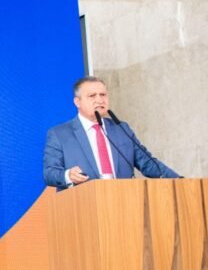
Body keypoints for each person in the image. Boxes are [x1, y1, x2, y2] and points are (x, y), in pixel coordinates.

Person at [43, 76, 178, 190]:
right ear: (77, 102)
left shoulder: (121, 128)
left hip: (123, 201)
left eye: (103, 95)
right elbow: (49, 173)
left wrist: (178, 180)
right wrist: (68, 175)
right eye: (92, 96)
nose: (99, 100)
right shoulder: (59, 134)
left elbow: (148, 163)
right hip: (85, 205)